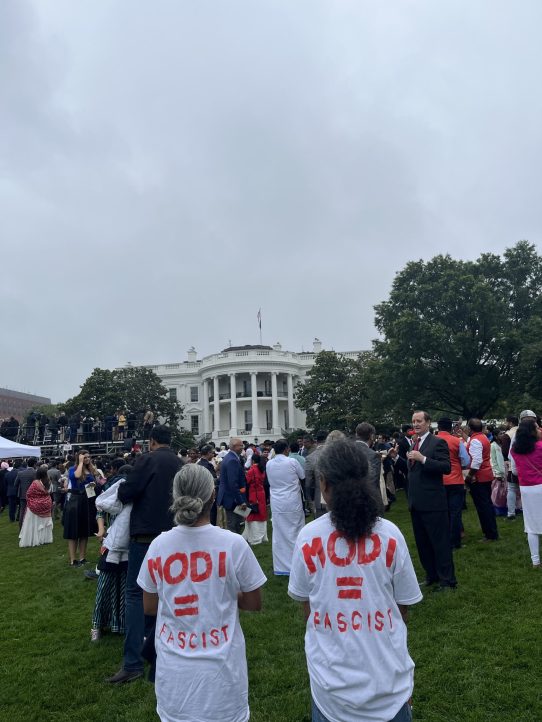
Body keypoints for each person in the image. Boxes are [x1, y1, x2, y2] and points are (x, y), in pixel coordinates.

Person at [288, 438, 422, 722]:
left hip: (334, 684)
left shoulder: (308, 537)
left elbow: (307, 606)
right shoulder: (390, 534)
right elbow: (403, 608)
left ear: (323, 483)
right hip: (386, 679)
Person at [137, 463, 266, 722]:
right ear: (212, 495)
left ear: (175, 496)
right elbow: (254, 602)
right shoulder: (234, 544)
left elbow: (149, 607)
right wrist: (225, 593)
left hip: (175, 680)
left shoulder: (159, 546)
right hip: (223, 677)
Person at [106, 426, 182, 684]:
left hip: (146, 536)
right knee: (168, 593)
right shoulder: (180, 462)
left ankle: (133, 662)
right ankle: (163, 652)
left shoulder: (147, 460)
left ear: (151, 442)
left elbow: (126, 492)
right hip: (175, 535)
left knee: (136, 595)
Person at [403, 411, 456, 590]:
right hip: (416, 502)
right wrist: (398, 458)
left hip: (433, 502)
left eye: (419, 421)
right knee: (422, 543)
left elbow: (446, 467)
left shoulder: (437, 442)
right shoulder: (414, 442)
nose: (415, 424)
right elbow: (413, 470)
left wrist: (423, 459)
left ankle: (447, 580)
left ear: (428, 423)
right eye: (413, 421)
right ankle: (431, 575)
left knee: (439, 542)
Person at [266, 438, 305, 575]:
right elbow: (302, 475)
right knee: (296, 531)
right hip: (292, 501)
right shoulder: (292, 462)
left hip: (277, 503)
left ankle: (281, 566)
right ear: (286, 449)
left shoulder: (269, 464)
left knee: (279, 534)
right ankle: (297, 564)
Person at [509, 416, 542, 568]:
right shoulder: (540, 446)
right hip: (540, 485)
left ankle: (535, 561)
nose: (539, 429)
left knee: (531, 525)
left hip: (526, 488)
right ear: (532, 432)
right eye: (537, 427)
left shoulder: (515, 450)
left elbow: (514, 471)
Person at [437, 418, 469, 549]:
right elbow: (466, 461)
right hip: (455, 480)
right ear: (450, 428)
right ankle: (455, 542)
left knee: (441, 511)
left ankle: (442, 539)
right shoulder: (457, 441)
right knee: (455, 512)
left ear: (438, 427)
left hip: (438, 480)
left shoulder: (431, 441)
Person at [465, 418, 499, 541]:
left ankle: (490, 534)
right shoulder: (483, 437)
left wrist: (469, 476)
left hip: (478, 477)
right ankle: (492, 532)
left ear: (470, 428)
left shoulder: (475, 440)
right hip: (486, 475)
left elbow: (477, 461)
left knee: (483, 507)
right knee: (487, 505)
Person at [63, 450, 97, 566]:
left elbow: (93, 483)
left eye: (88, 457)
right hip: (75, 500)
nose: (87, 459)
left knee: (84, 532)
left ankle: (82, 557)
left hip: (87, 500)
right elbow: (77, 476)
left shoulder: (90, 469)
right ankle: (73, 560)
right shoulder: (74, 469)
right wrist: (81, 462)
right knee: (73, 532)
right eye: (84, 457)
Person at [216, 437, 247, 534]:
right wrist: (241, 501)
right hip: (233, 499)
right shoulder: (232, 460)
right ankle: (235, 546)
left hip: (231, 497)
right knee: (234, 526)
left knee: (238, 524)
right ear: (234, 447)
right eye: (240, 446)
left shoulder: (230, 457)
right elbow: (233, 484)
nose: (242, 447)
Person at [19, 466, 54, 547]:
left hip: (34, 506)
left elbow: (28, 494)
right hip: (46, 504)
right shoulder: (48, 483)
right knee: (44, 523)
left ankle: (35, 539)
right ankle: (45, 539)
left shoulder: (35, 483)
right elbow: (50, 491)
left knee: (35, 524)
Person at [243, 453, 269, 545]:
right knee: (261, 513)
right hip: (261, 493)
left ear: (252, 461)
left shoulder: (251, 471)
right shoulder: (262, 469)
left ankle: (254, 536)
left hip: (254, 494)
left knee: (253, 514)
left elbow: (247, 482)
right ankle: (263, 535)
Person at [304, 431, 328, 517]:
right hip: (337, 498)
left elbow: (308, 484)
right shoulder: (338, 455)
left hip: (319, 499)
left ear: (316, 441)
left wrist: (310, 501)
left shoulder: (310, 458)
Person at [14, 458, 38, 529]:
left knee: (22, 511)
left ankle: (21, 528)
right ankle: (31, 527)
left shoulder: (20, 473)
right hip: (32, 495)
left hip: (22, 495)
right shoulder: (35, 473)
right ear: (34, 464)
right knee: (33, 511)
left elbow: (15, 484)